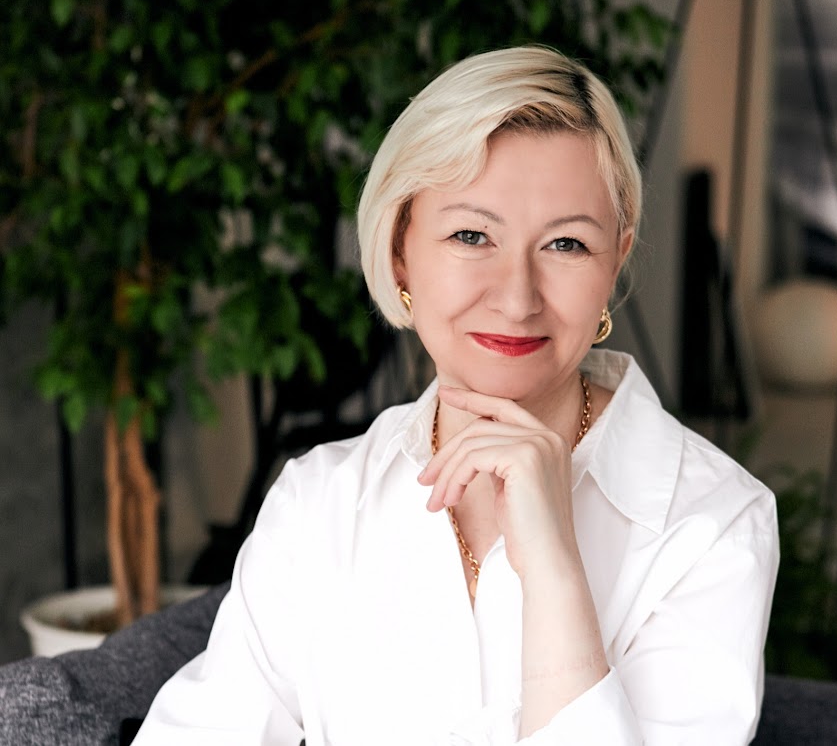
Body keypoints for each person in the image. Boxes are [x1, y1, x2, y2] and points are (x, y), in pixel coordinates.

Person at [134, 45, 779, 744]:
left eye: (566, 245)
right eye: (472, 235)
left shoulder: (712, 525)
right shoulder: (319, 503)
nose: (517, 299)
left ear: (614, 262)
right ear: (400, 252)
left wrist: (555, 574)